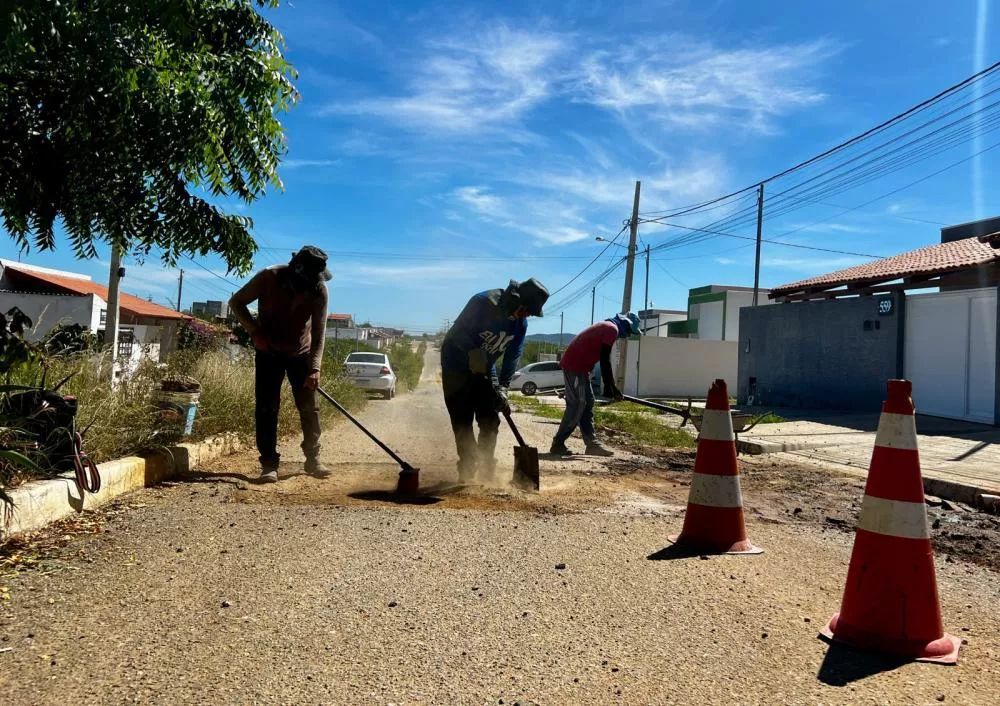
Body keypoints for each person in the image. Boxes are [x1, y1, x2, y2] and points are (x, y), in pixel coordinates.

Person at [229, 246, 331, 483]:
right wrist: (254, 331)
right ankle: (269, 464)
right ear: (296, 270)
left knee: (309, 408)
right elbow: (236, 302)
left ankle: (313, 459)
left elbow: (319, 332)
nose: (312, 284)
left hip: (301, 354)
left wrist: (315, 368)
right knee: (266, 408)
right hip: (268, 353)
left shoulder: (319, 290)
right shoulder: (269, 277)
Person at [441, 278, 549, 483]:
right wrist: (473, 353)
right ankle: (467, 468)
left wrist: (503, 388)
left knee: (490, 419)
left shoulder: (520, 325)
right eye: (527, 310)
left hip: (484, 369)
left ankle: (486, 467)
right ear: (517, 299)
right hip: (456, 368)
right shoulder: (483, 302)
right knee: (462, 421)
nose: (527, 315)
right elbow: (457, 333)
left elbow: (512, 356)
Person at [549, 312, 642, 457]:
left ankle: (591, 444)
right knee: (578, 404)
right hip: (575, 366)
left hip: (581, 367)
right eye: (629, 332)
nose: (627, 336)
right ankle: (558, 443)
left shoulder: (607, 326)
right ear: (625, 325)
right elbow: (605, 361)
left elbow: (594, 350)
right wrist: (613, 387)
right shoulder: (612, 329)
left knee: (588, 402)